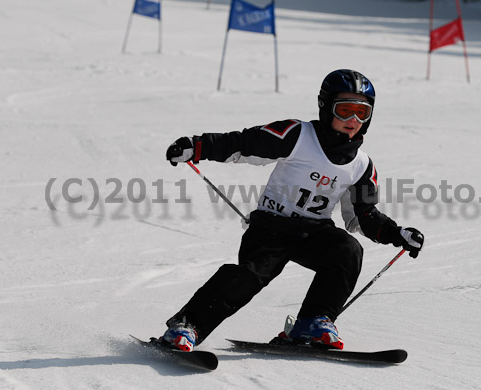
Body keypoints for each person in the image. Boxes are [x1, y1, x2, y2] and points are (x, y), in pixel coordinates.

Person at [163, 69, 424, 352]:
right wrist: (197, 146)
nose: (353, 120)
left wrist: (396, 233)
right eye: (345, 110)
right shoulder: (298, 135)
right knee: (249, 278)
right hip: (271, 228)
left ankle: (312, 323)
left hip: (315, 232)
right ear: (325, 107)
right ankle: (187, 325)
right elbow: (244, 143)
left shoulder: (362, 165)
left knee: (347, 250)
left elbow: (363, 215)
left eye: (362, 112)